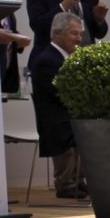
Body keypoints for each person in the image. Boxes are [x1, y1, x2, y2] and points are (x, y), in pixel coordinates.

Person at [29, 13, 87, 198]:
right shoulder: (47, 59)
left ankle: (79, 180)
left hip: (69, 115)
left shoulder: (70, 58)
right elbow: (58, 94)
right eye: (74, 33)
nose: (79, 39)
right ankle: (66, 183)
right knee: (81, 127)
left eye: (80, 34)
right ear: (56, 33)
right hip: (55, 119)